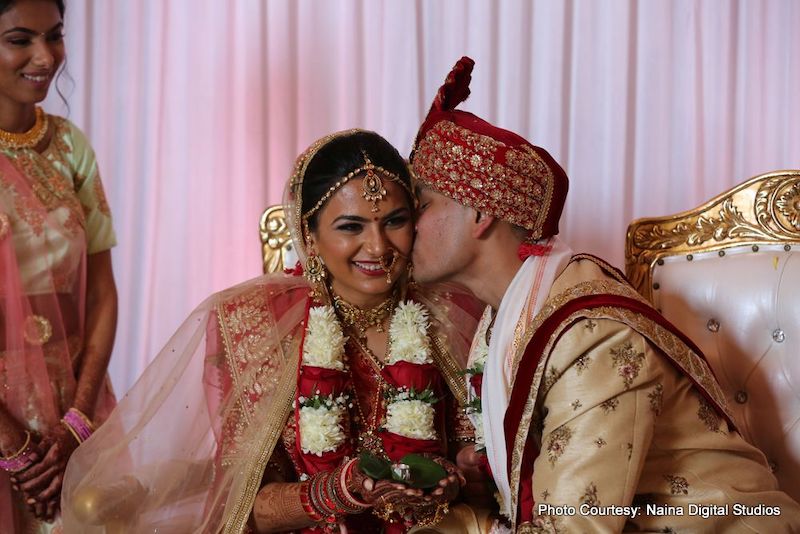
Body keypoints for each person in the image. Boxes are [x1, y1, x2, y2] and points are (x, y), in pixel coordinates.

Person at [408, 56, 800, 533]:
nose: (405, 227)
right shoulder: (504, 317)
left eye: (423, 204)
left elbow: (574, 528)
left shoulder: (590, 333)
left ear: (479, 214)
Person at [62, 129, 492, 533]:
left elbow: (476, 464)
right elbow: (246, 504)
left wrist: (454, 477)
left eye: (394, 221)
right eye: (351, 227)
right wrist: (342, 488)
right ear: (309, 233)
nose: (378, 247)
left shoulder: (452, 314)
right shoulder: (257, 327)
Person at [0, 0, 118, 531]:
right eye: (20, 39)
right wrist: (9, 440)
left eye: (55, 36)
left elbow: (101, 292)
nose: (45, 57)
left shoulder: (71, 146)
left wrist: (78, 417)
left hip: (72, 403)